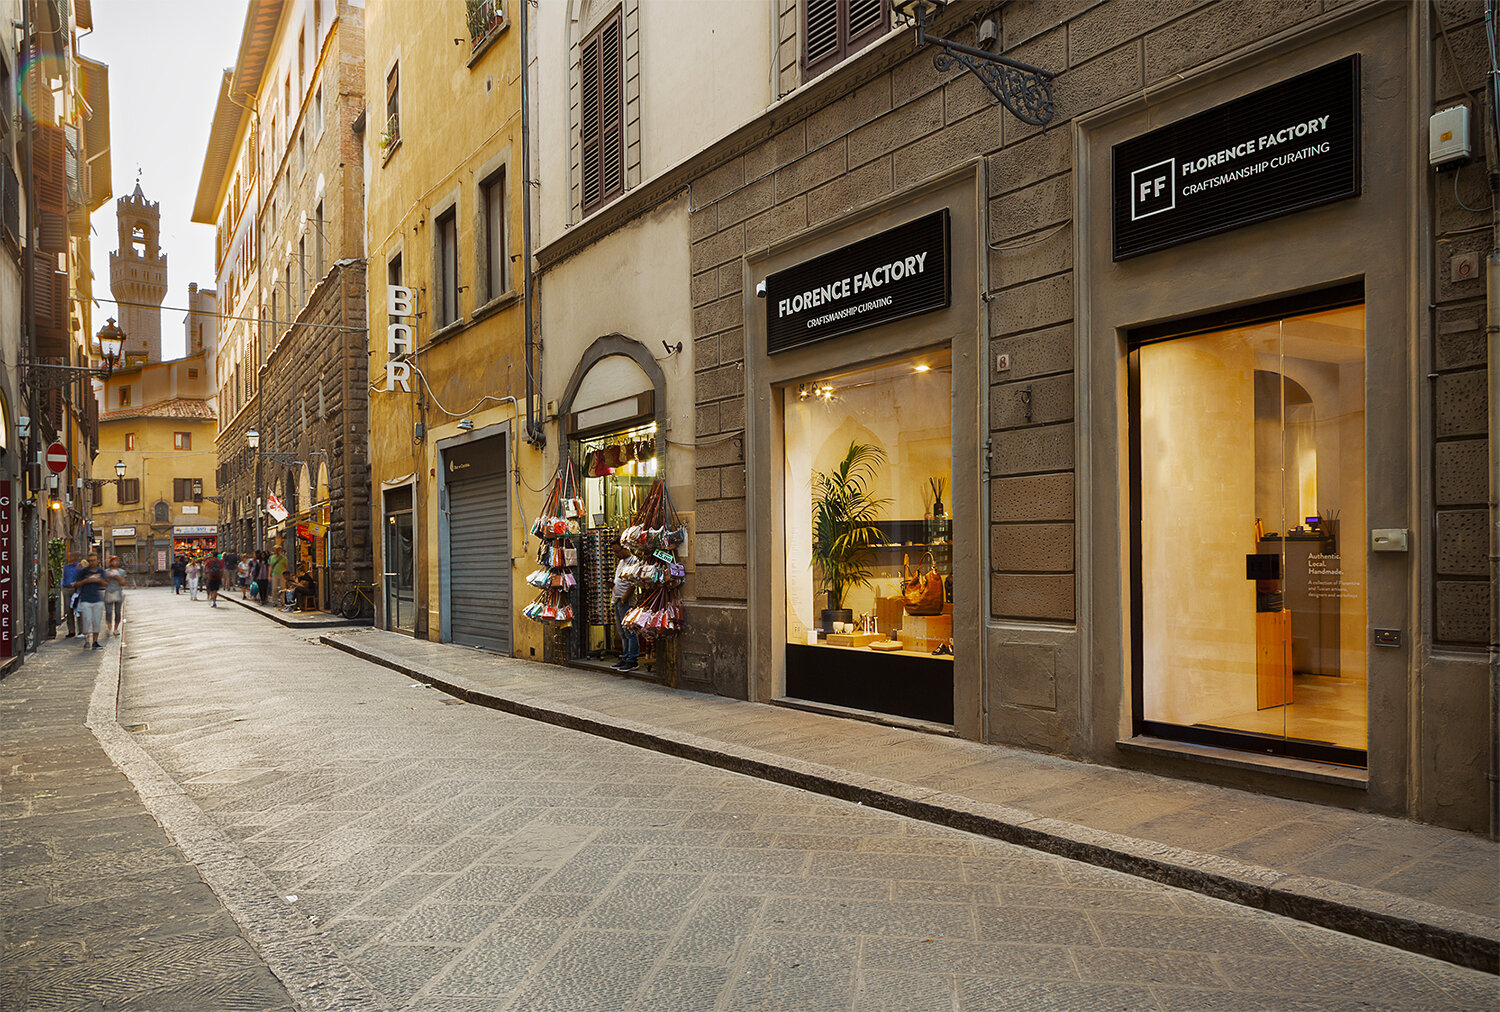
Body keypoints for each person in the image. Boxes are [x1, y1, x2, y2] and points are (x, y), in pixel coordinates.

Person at [611, 547, 639, 673]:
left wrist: (624, 598)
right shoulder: (621, 562)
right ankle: (625, 656)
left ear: (624, 548)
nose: (615, 554)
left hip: (625, 601)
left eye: (617, 551)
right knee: (623, 633)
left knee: (630, 631)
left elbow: (633, 583)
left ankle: (632, 660)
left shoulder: (634, 561)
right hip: (618, 600)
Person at [70, 555, 106, 650]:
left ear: (97, 561)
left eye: (93, 560)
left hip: (97, 599)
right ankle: (86, 641)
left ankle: (95, 641)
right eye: (90, 561)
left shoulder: (101, 571)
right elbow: (76, 584)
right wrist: (87, 580)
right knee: (86, 620)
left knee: (96, 622)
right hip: (85, 599)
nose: (92, 563)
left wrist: (99, 580)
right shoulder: (83, 572)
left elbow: (106, 584)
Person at [102, 556, 129, 637]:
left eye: (117, 561)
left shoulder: (121, 572)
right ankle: (109, 626)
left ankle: (116, 628)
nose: (115, 563)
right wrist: (108, 578)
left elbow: (123, 583)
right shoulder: (106, 572)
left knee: (117, 611)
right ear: (110, 562)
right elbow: (103, 583)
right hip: (108, 592)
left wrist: (117, 577)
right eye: (113, 561)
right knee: (108, 611)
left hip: (118, 592)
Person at [61, 552, 81, 638]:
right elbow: (63, 577)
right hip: (66, 589)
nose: (71, 558)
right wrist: (62, 586)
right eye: (70, 556)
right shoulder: (66, 567)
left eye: (73, 556)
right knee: (68, 610)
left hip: (76, 590)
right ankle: (71, 631)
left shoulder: (79, 567)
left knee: (78, 610)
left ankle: (81, 630)